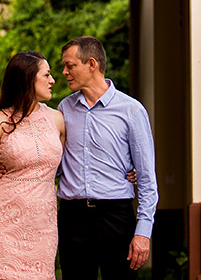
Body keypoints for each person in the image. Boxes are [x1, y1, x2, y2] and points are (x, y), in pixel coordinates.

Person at [57, 35, 158, 279]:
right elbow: (54, 164)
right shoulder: (63, 109)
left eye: (70, 65)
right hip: (72, 218)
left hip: (115, 217)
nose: (64, 72)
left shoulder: (131, 110)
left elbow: (146, 178)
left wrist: (143, 233)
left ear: (91, 64)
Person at [0, 50, 65, 279]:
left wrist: (128, 171)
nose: (52, 80)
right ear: (27, 79)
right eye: (46, 75)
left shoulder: (57, 120)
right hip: (3, 224)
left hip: (44, 225)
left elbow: (69, 165)